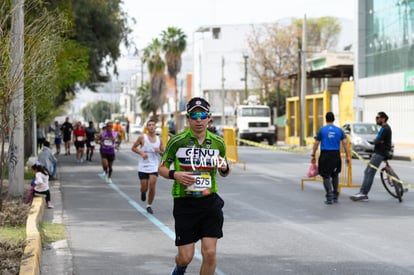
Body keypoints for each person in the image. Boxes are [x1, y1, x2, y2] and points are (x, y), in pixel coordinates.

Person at [159, 97, 231, 275]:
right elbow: (161, 168)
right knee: (186, 257)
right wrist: (175, 174)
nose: (199, 120)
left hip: (209, 202)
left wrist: (224, 167)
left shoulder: (218, 142)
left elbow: (225, 170)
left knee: (210, 253)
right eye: (194, 115)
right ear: (188, 118)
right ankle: (179, 268)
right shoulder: (177, 141)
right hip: (185, 204)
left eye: (202, 115)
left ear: (209, 117)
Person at [350, 111, 393, 201]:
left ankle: (363, 193)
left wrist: (378, 141)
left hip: (379, 153)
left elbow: (376, 141)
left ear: (383, 119)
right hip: (381, 152)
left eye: (377, 118)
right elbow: (379, 141)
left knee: (369, 172)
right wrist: (379, 141)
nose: (376, 120)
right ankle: (363, 192)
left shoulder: (384, 129)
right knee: (368, 171)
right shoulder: (385, 128)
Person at [311, 112, 350, 204]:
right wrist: (348, 156)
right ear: (333, 119)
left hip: (325, 155)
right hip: (336, 155)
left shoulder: (322, 130)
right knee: (335, 175)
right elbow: (345, 144)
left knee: (326, 176)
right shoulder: (339, 130)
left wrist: (313, 154)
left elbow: (316, 143)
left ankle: (329, 196)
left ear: (326, 119)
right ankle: (335, 196)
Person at [131, 119, 164, 214]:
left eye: (153, 125)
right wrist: (141, 153)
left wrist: (160, 152)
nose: (151, 127)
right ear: (147, 127)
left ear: (156, 127)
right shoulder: (142, 138)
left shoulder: (159, 139)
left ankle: (149, 205)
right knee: (144, 187)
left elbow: (164, 154)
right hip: (143, 166)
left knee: (152, 185)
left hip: (153, 166)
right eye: (149, 125)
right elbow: (133, 148)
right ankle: (143, 192)